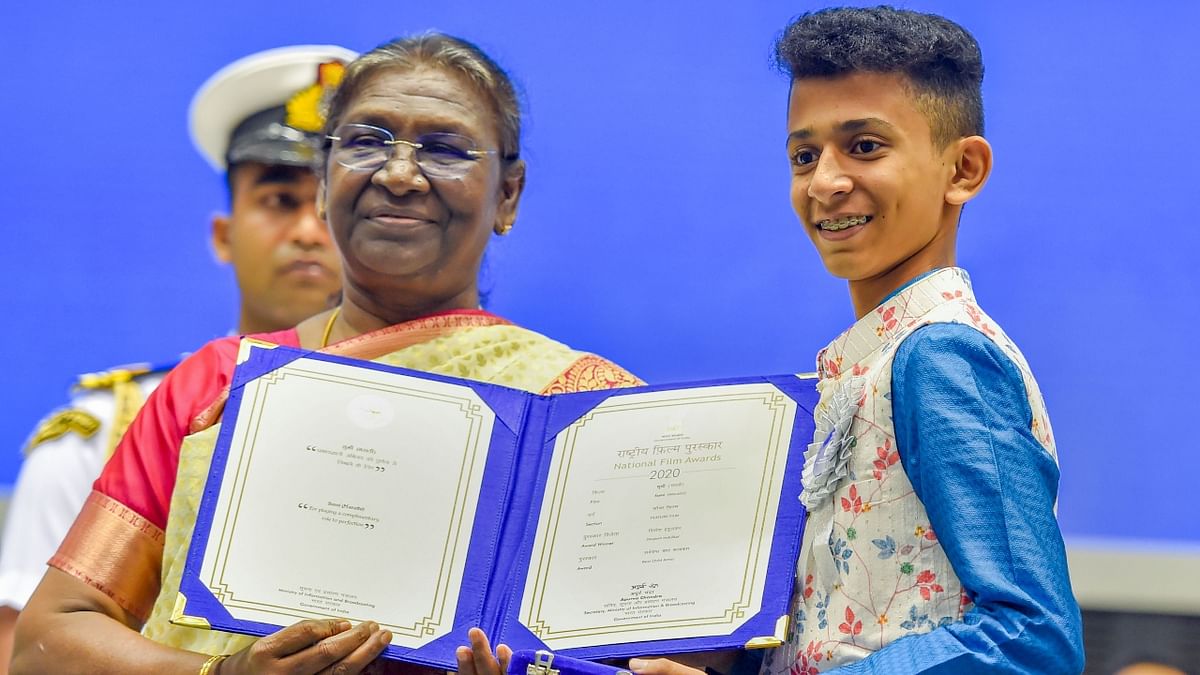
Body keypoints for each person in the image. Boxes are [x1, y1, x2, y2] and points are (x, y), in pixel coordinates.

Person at [11, 32, 641, 675]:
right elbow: (46, 643)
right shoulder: (212, 386)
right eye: (366, 142)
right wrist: (222, 674)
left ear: (507, 194)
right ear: (323, 182)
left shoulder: (583, 409)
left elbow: (690, 656)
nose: (399, 175)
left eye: (445, 149)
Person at [0, 44, 351, 671]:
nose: (307, 229)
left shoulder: (445, 425)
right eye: (278, 199)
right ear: (224, 235)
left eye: (327, 203)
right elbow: (24, 652)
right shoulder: (104, 434)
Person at [756, 6, 1082, 672]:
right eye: (804, 154)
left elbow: (1032, 637)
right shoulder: (865, 362)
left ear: (962, 169)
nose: (825, 181)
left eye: (865, 146)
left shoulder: (941, 355)